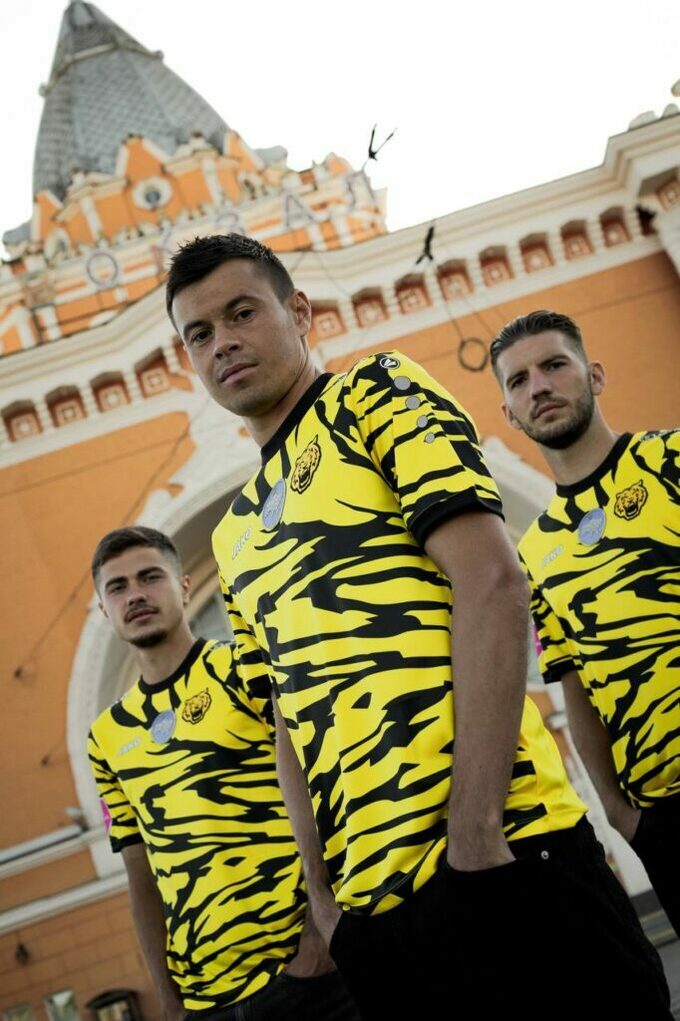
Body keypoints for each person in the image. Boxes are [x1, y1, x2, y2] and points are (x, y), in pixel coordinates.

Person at [166, 234, 672, 1019]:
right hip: (377, 919)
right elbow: (286, 725)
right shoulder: (232, 538)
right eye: (199, 333)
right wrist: (325, 899)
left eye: (242, 313)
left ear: (299, 311)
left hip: (507, 853)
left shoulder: (374, 393)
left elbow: (492, 580)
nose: (222, 342)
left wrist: (475, 832)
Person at [87, 526, 359, 1021]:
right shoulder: (106, 737)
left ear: (184, 587)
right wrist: (168, 1000)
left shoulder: (246, 669)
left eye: (150, 577)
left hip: (308, 974)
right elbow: (139, 873)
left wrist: (317, 941)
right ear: (105, 610)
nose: (136, 595)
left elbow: (330, 788)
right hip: (204, 1002)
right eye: (118, 587)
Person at [490, 308, 679, 937]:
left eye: (554, 365)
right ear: (509, 413)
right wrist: (621, 815)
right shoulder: (536, 551)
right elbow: (574, 687)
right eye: (519, 381)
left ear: (594, 375)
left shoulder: (670, 460)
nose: (539, 386)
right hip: (664, 818)